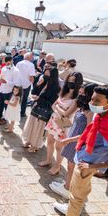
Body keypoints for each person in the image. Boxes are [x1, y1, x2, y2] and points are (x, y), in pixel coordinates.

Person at [53, 85, 108, 216]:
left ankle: (71, 211)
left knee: (76, 197)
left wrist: (93, 166)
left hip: (86, 165)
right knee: (78, 193)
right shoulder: (100, 116)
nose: (92, 103)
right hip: (83, 158)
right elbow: (89, 134)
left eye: (97, 101)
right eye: (92, 99)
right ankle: (71, 208)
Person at [50, 83, 96, 199]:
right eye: (79, 92)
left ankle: (67, 189)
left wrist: (69, 139)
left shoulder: (90, 112)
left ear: (89, 95)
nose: (80, 95)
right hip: (71, 139)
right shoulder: (82, 106)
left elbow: (87, 132)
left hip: (77, 142)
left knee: (71, 166)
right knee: (69, 164)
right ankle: (67, 184)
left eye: (82, 93)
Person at [38, 72, 83, 175]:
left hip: (64, 124)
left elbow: (66, 114)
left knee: (59, 146)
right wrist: (60, 109)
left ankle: (57, 166)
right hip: (54, 120)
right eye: (69, 80)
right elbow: (53, 105)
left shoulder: (77, 98)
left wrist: (58, 108)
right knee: (49, 141)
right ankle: (48, 160)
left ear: (78, 83)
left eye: (73, 81)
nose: (70, 82)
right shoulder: (64, 91)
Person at [22, 67, 60, 152]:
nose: (45, 75)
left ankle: (35, 145)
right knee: (31, 125)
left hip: (43, 112)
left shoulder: (56, 88)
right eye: (45, 73)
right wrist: (38, 84)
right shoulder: (45, 83)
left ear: (52, 75)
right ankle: (29, 141)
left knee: (38, 129)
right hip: (36, 108)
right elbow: (34, 91)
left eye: (47, 74)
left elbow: (51, 103)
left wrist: (39, 98)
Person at [0, 55, 20, 125]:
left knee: (7, 106)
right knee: (0, 104)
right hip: (1, 89)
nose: (6, 64)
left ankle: (5, 119)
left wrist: (6, 82)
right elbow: (1, 75)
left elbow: (16, 83)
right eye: (5, 63)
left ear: (12, 61)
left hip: (8, 91)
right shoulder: (4, 68)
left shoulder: (16, 71)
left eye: (8, 63)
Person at [16, 52, 36, 117]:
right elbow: (31, 77)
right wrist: (32, 83)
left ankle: (14, 111)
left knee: (16, 98)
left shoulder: (18, 63)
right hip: (26, 85)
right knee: (24, 99)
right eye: (31, 57)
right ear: (28, 57)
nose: (32, 58)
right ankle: (22, 113)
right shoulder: (31, 65)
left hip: (18, 84)